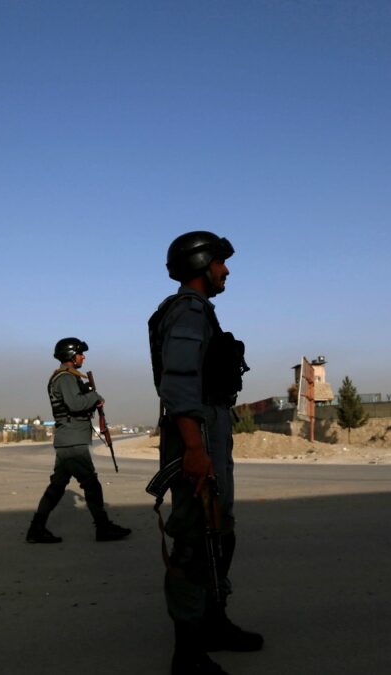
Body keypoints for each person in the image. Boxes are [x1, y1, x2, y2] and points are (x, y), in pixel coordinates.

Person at [148, 232, 263, 674]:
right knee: (196, 539)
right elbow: (177, 383)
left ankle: (214, 623)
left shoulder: (196, 313)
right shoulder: (189, 312)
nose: (226, 270)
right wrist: (195, 448)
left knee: (218, 532)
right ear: (201, 264)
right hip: (197, 436)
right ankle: (188, 653)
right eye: (219, 262)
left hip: (208, 431)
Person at [26, 337, 131, 544]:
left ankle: (36, 529)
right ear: (71, 356)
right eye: (80, 353)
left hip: (69, 438)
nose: (84, 356)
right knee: (91, 484)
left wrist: (89, 396)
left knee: (57, 486)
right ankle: (103, 528)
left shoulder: (69, 377)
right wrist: (94, 396)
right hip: (72, 441)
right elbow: (74, 405)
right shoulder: (65, 378)